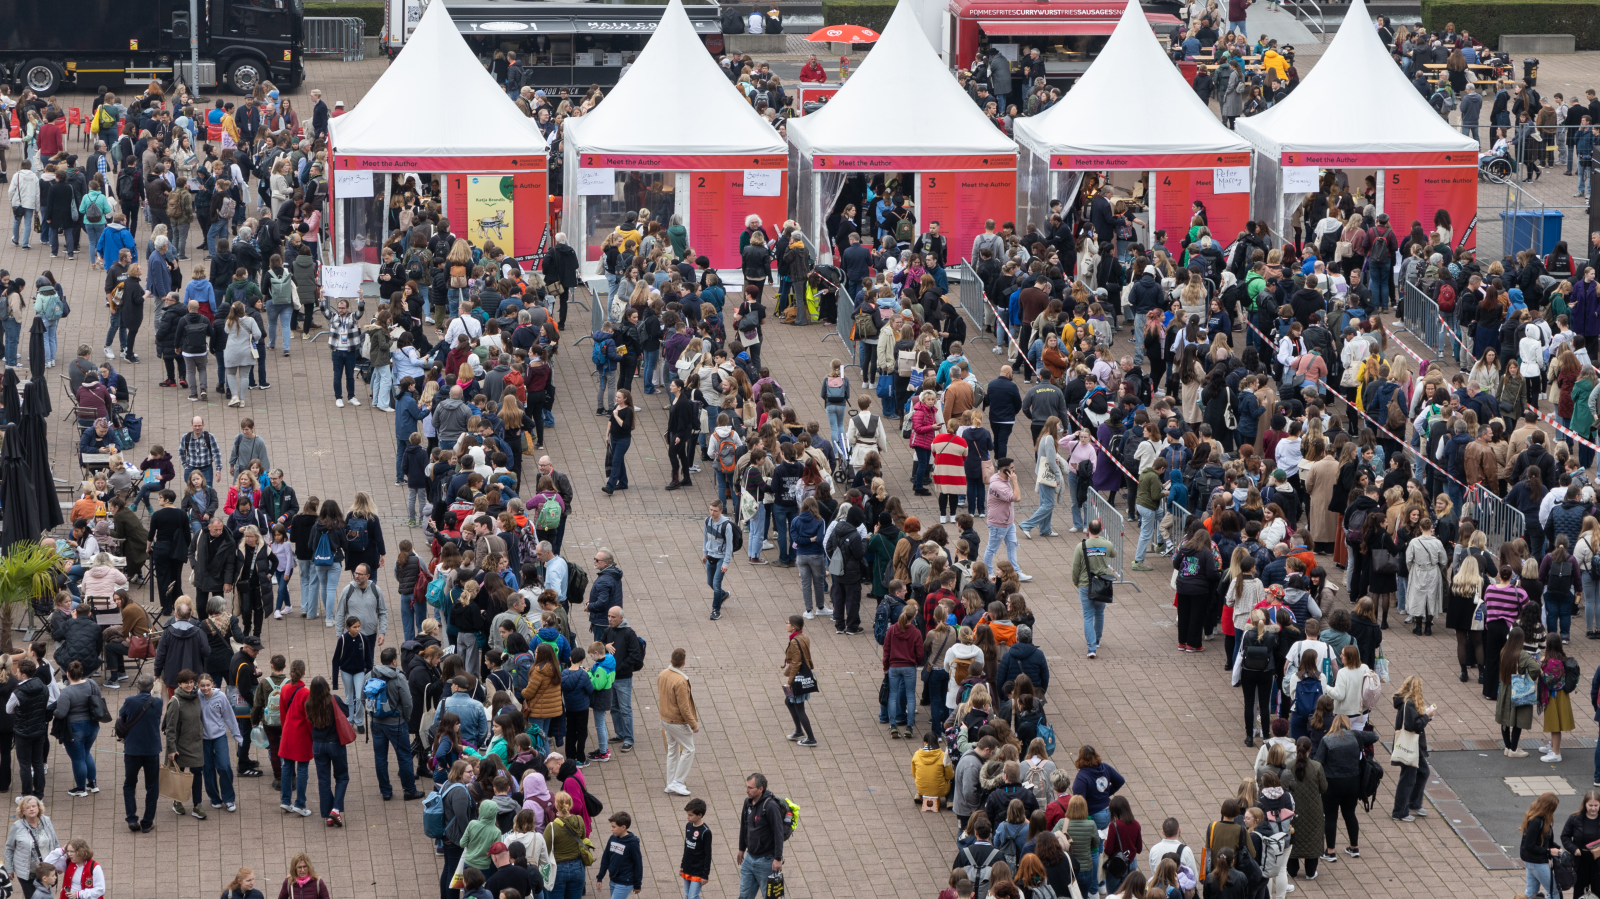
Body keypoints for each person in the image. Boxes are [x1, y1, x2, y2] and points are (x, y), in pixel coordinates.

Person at [1311, 714, 1378, 860]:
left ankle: (1330, 851)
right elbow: (1375, 736)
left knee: (1331, 816)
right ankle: (1354, 848)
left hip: (1332, 783)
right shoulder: (1355, 737)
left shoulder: (1327, 740)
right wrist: (1358, 734)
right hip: (1353, 782)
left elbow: (1318, 762)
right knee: (1350, 814)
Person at [115, 673, 162, 832]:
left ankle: (132, 818)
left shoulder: (130, 701)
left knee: (129, 784)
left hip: (132, 750)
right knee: (152, 786)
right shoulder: (158, 702)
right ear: (152, 687)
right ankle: (147, 822)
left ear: (137, 686)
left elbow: (122, 715)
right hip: (151, 750)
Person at [163, 669, 209, 819]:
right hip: (180, 747)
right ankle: (177, 802)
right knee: (180, 774)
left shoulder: (196, 697)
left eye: (191, 682)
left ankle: (197, 805)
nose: (189, 685)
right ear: (179, 684)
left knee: (197, 774)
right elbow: (170, 729)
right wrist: (171, 749)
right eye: (186, 683)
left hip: (196, 744)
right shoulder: (175, 702)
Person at [1390, 675, 1435, 822]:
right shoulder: (1409, 705)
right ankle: (1399, 812)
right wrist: (1426, 717)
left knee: (1423, 772)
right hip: (1410, 747)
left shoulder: (1405, 703)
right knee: (1407, 779)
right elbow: (1412, 725)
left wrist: (1425, 716)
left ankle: (1413, 804)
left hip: (1413, 747)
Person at [1070, 520, 1116, 658]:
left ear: (1088, 529)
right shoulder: (1107, 544)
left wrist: (1076, 582)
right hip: (1102, 584)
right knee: (1099, 612)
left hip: (1085, 584)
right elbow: (1113, 554)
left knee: (1088, 615)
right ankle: (1097, 640)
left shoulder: (1081, 546)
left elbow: (1075, 567)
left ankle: (1091, 648)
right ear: (1101, 529)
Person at [737, 772, 785, 899]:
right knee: (744, 896)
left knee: (772, 897)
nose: (746, 790)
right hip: (749, 859)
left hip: (766, 862)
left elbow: (778, 833)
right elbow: (744, 826)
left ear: (760, 789)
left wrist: (777, 858)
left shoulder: (770, 806)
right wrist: (741, 849)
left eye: (750, 788)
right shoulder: (747, 803)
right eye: (746, 787)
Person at [657, 648, 698, 796]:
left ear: (671, 660)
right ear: (684, 662)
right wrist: (693, 724)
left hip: (664, 718)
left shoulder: (663, 674)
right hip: (676, 721)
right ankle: (678, 782)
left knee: (672, 751)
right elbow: (684, 707)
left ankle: (670, 784)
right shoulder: (681, 681)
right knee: (689, 749)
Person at [1522, 792, 1566, 899]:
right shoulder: (1536, 821)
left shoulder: (1541, 818)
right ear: (1548, 807)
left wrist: (1557, 848)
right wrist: (1549, 851)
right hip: (1536, 861)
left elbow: (1546, 842)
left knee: (1531, 892)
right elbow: (1529, 846)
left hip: (1531, 861)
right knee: (1554, 892)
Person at [782, 614, 817, 746]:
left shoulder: (794, 641)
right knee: (788, 701)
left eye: (787, 623)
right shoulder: (804, 637)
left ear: (794, 627)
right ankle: (798, 731)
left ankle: (811, 739)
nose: (786, 625)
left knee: (799, 708)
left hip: (798, 678)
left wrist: (789, 682)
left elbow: (796, 663)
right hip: (803, 675)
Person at [1560, 789, 1600, 899]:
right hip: (1581, 861)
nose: (1593, 808)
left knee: (1598, 891)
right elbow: (1565, 836)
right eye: (1590, 805)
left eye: (1596, 805)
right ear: (1585, 804)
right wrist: (1574, 849)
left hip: (1598, 862)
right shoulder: (1574, 818)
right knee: (1580, 892)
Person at [596, 811, 643, 898]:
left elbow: (638, 864)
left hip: (625, 881)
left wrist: (637, 884)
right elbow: (606, 858)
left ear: (623, 827)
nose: (611, 829)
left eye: (614, 827)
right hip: (613, 879)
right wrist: (600, 877)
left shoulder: (632, 843)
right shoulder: (612, 838)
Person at [702, 501, 735, 621]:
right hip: (710, 556)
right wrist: (705, 554)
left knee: (716, 585)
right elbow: (705, 538)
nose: (712, 513)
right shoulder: (707, 521)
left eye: (715, 510)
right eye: (711, 509)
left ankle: (716, 610)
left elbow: (729, 546)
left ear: (721, 511)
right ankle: (723, 594)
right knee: (710, 582)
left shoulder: (727, 526)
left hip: (721, 558)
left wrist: (726, 563)